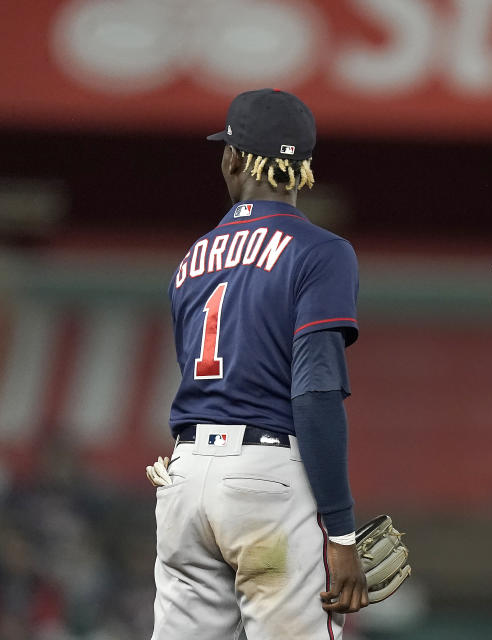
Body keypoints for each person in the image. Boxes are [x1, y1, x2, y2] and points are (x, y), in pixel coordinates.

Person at [148, 88, 368, 640]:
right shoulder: (320, 251)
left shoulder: (192, 258)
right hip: (261, 489)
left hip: (185, 478)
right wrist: (340, 534)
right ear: (303, 171)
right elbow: (315, 390)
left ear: (232, 158)